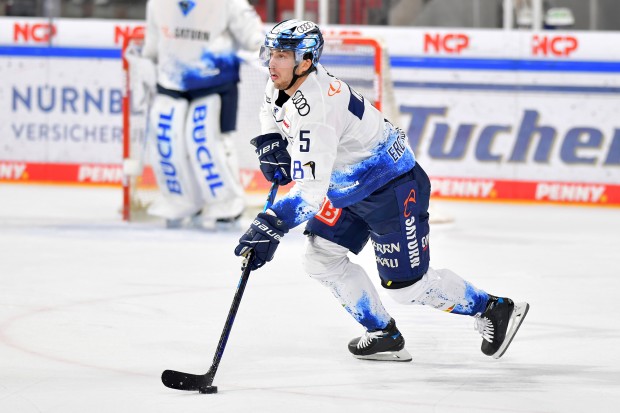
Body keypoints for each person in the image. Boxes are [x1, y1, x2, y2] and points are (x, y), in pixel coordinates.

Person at [234, 19, 530, 361]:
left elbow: (310, 193)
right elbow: (270, 108)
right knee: (320, 258)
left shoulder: (316, 109)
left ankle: (492, 309)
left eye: (283, 55)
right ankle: (382, 332)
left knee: (408, 289)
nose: (272, 62)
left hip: (391, 189)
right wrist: (270, 138)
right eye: (271, 52)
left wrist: (272, 223)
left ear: (306, 60)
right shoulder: (285, 82)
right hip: (348, 188)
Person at [140, 0, 264, 227]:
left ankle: (227, 206)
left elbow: (254, 37)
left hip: (216, 82)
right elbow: (153, 43)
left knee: (209, 143)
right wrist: (147, 66)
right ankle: (180, 202)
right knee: (169, 146)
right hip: (171, 81)